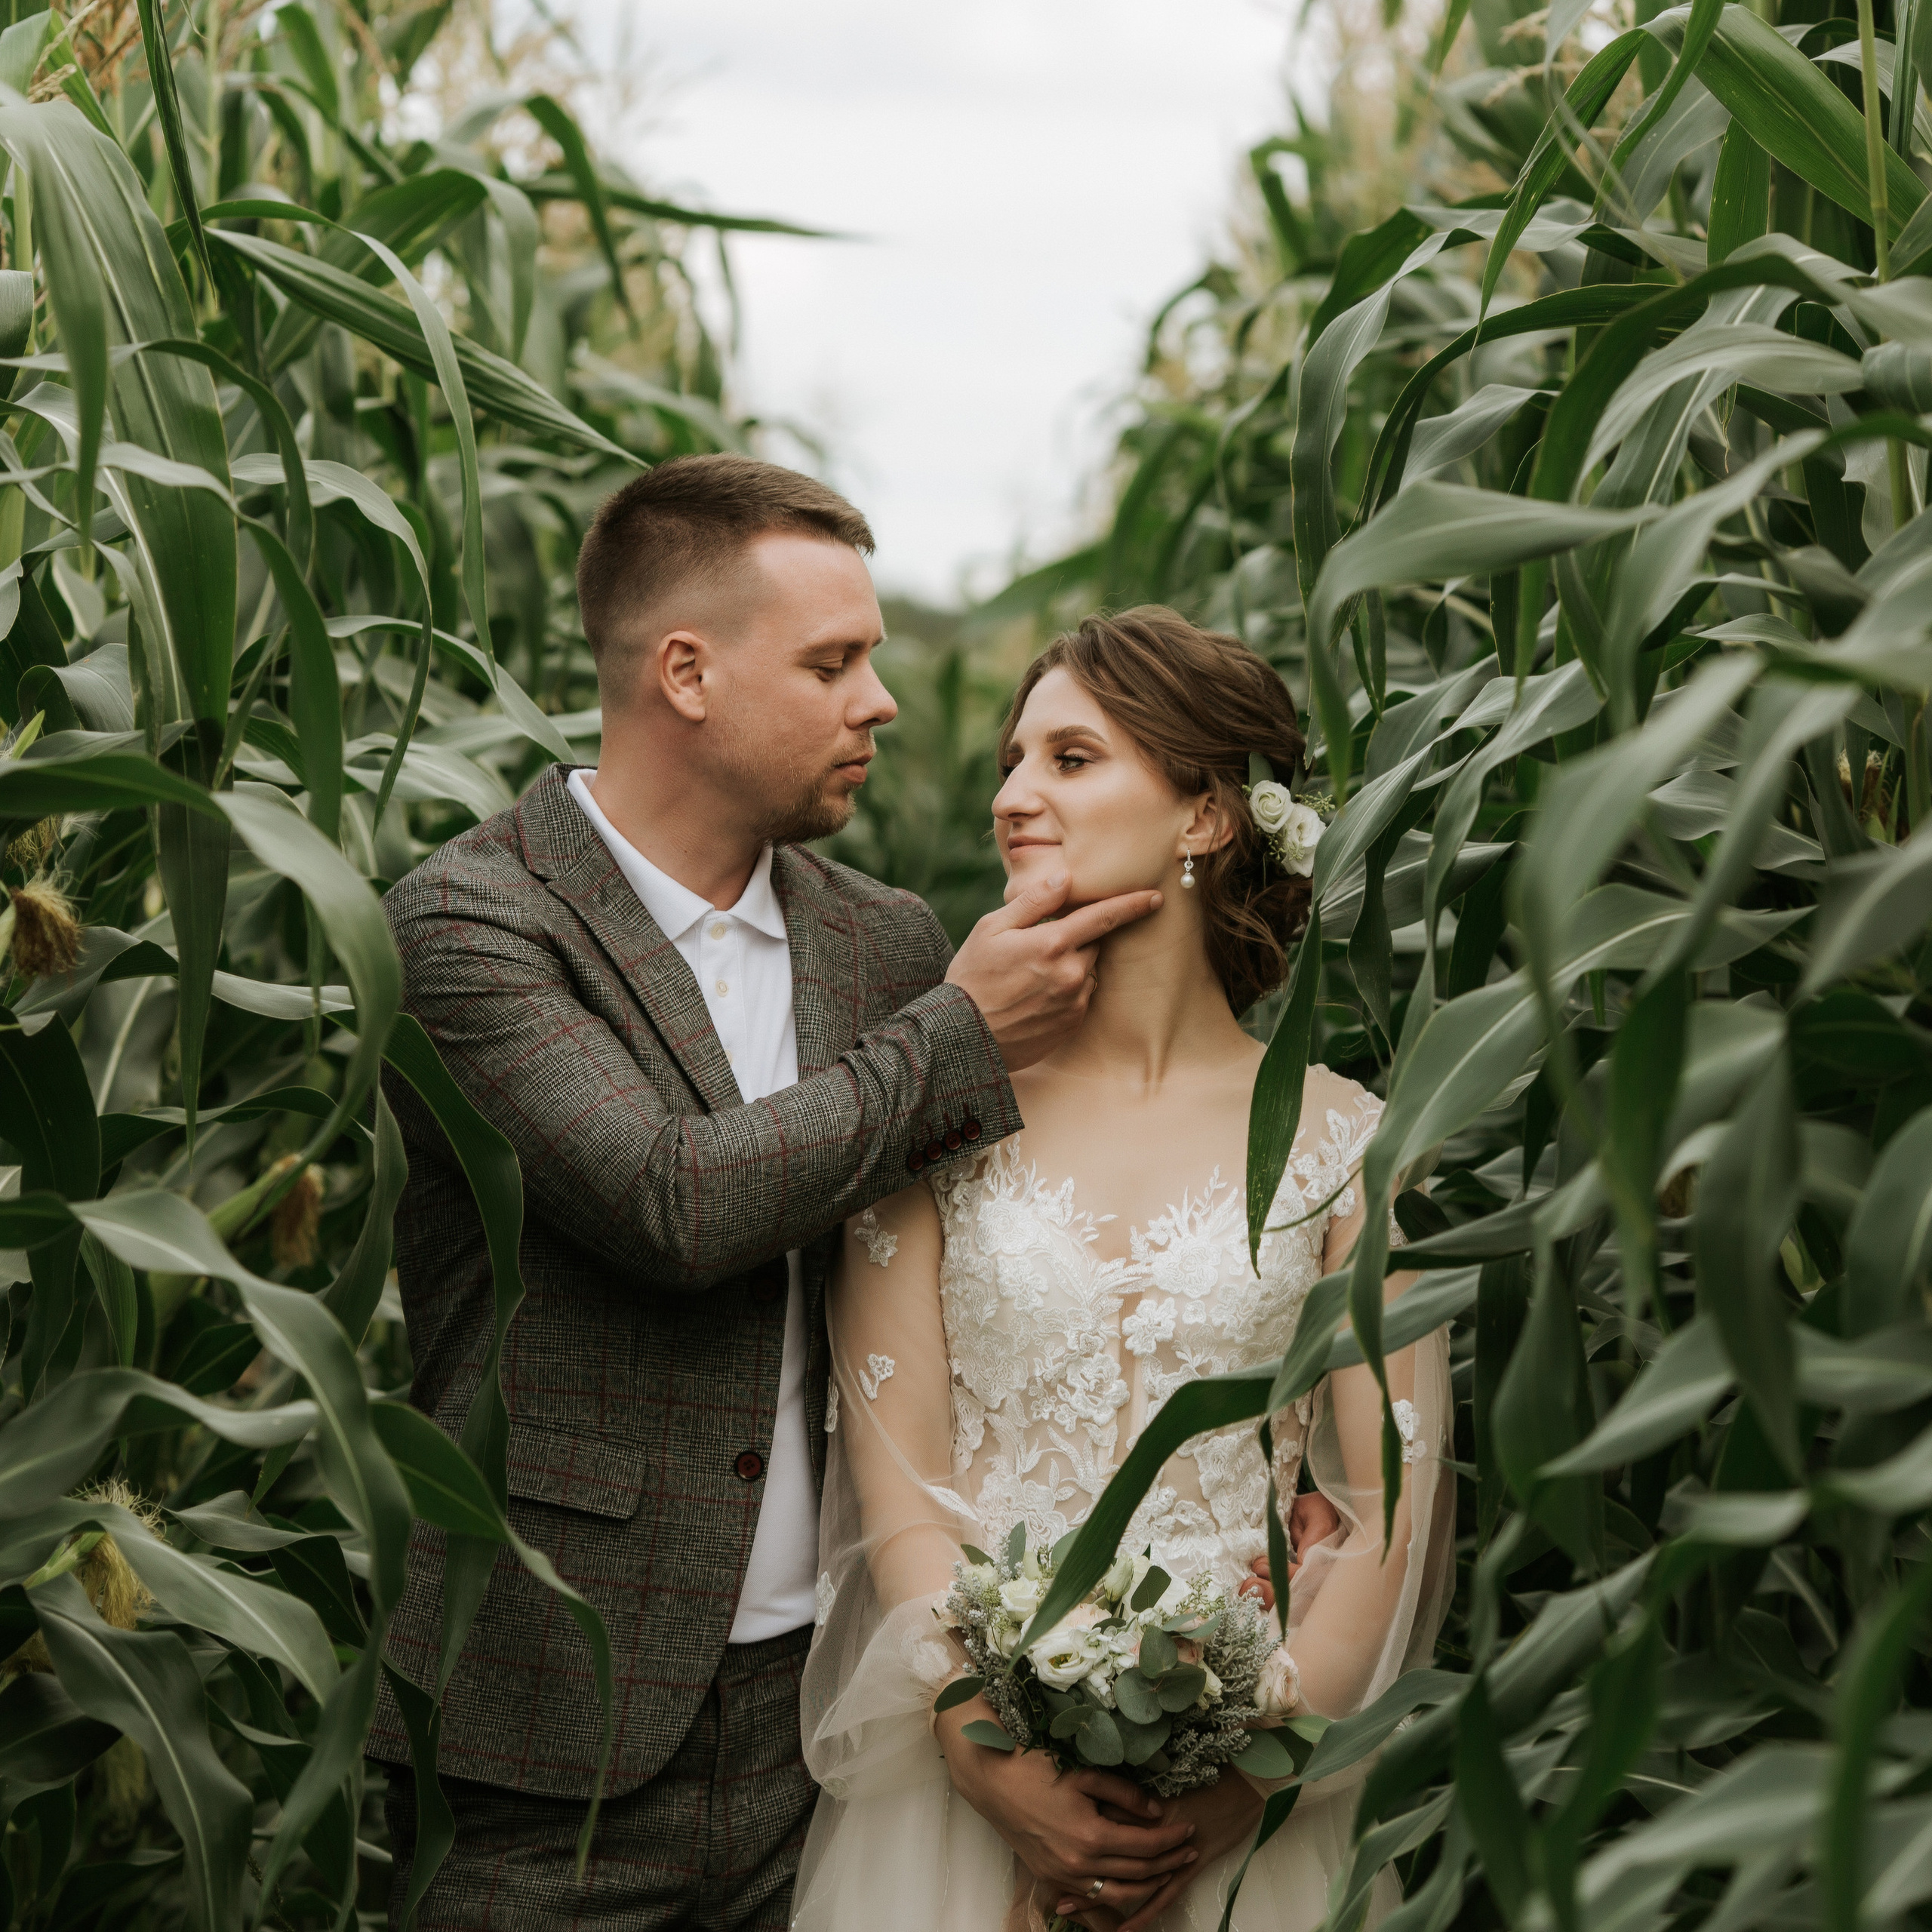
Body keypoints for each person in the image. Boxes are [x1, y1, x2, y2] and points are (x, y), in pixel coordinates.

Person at [367, 455, 1164, 1931]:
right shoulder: (472, 924)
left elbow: (1001, 1258)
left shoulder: (882, 940)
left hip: (838, 1725)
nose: (882, 700)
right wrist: (955, 1030)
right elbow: (671, 1203)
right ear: (685, 672)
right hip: (549, 1751)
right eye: (833, 660)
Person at [792, 608, 1455, 1932]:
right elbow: (899, 1490)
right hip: (959, 1808)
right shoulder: (934, 1118)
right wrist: (1002, 1769)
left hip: (1248, 1814)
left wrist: (1241, 1788)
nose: (1009, 797)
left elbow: (1390, 1510)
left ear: (1205, 814)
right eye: (1011, 759)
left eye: (1071, 760)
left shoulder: (1345, 1141)